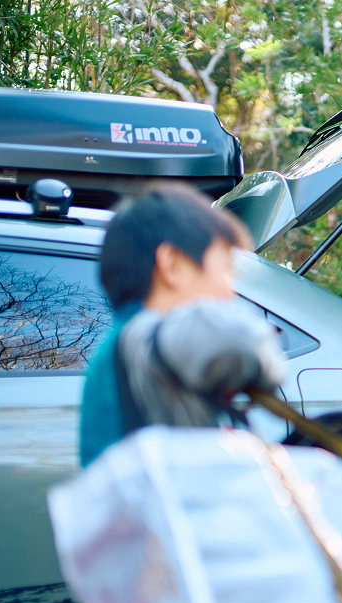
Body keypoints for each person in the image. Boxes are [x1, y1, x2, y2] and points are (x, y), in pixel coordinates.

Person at [80, 183, 285, 467]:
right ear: (172, 264)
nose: (230, 290)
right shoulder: (143, 335)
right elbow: (238, 338)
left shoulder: (117, 347)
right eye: (225, 269)